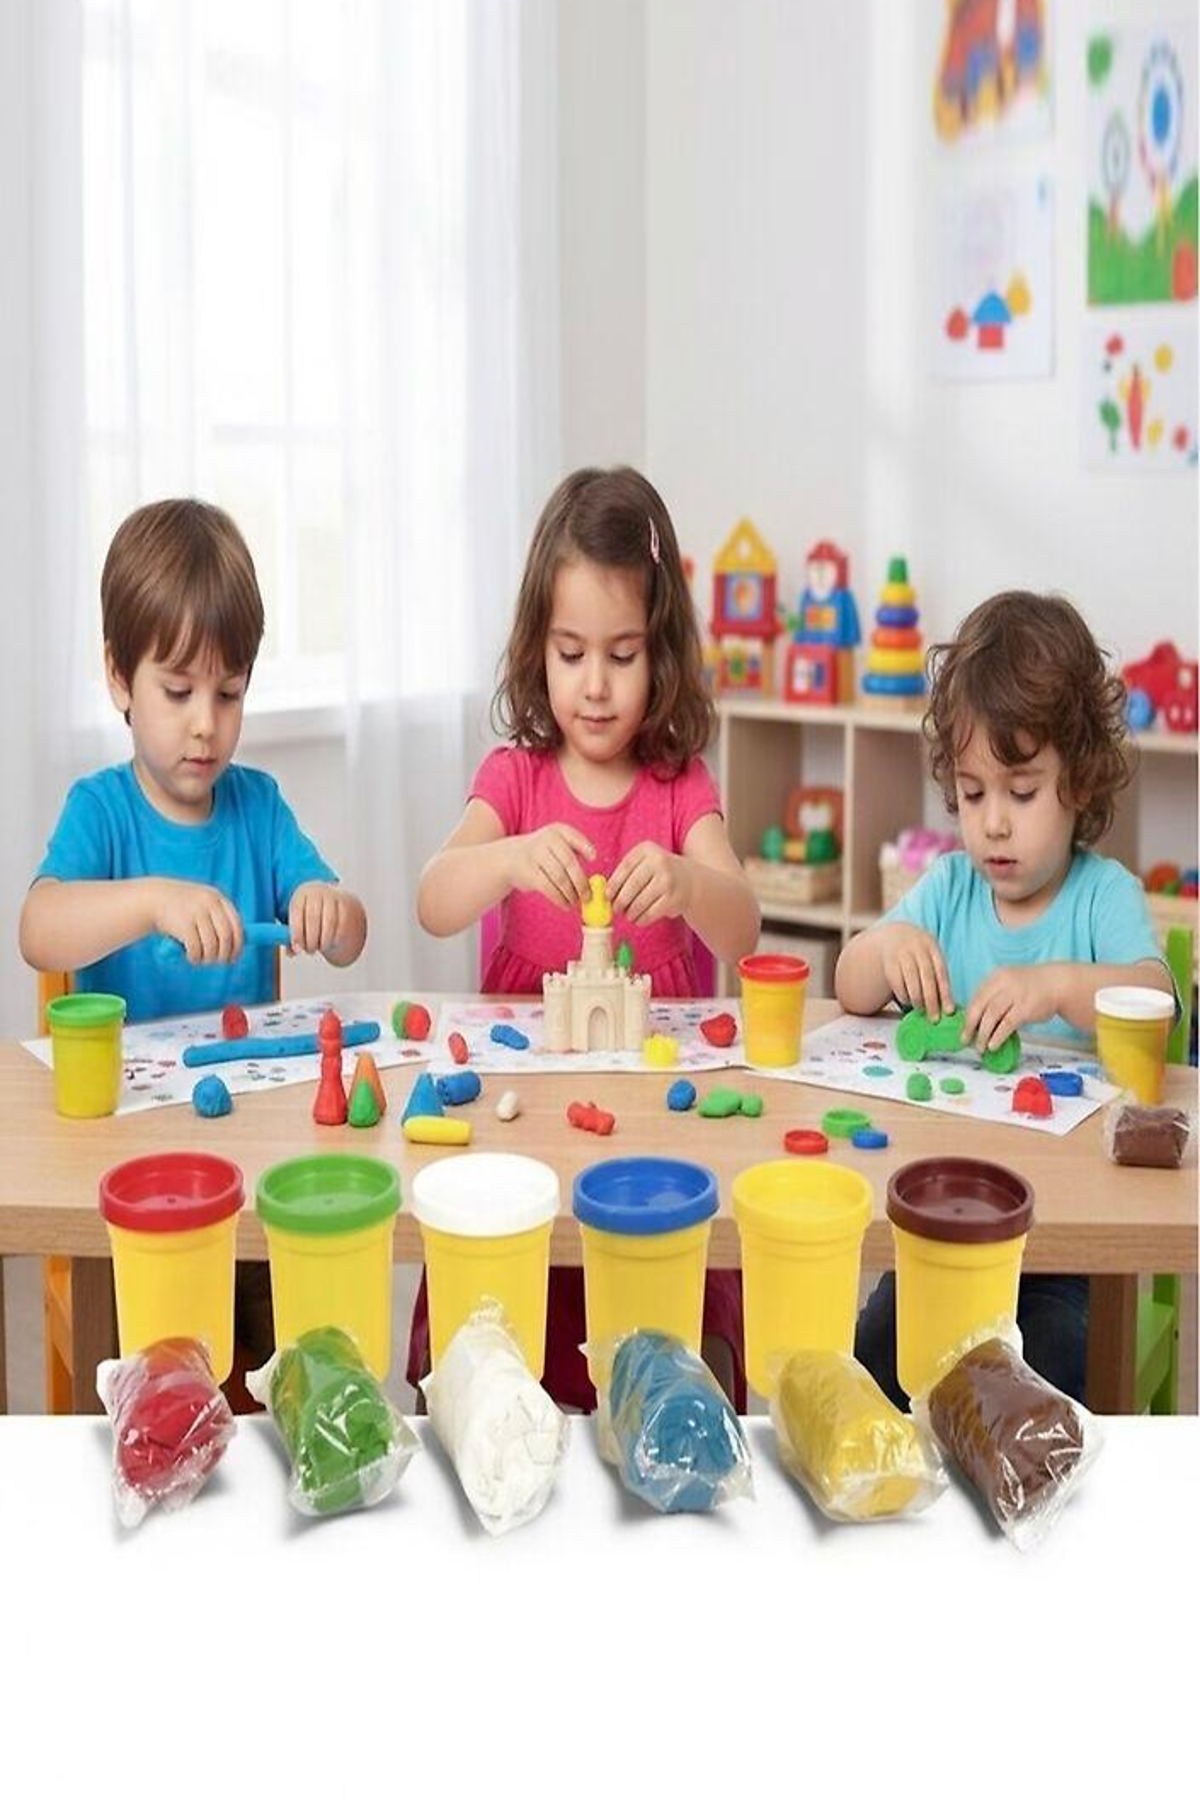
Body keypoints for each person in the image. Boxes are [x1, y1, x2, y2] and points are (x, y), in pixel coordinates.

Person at [415, 465, 760, 1407]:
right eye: (571, 654)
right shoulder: (515, 778)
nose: (596, 687)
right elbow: (435, 898)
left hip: (653, 1115)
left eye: (623, 654)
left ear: (663, 656)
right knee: (517, 1296)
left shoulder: (680, 785)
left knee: (656, 1300)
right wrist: (507, 857)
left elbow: (743, 926)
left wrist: (690, 881)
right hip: (524, 1111)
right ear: (538, 649)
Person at [21, 497, 369, 1386]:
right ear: (118, 678)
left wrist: (328, 908)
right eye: (177, 692)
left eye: (229, 692)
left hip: (244, 1160)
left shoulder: (258, 808)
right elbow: (38, 929)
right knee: (148, 1364)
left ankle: (268, 1409)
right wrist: (151, 901)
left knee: (296, 1338)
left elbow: (349, 931)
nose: (205, 722)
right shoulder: (100, 811)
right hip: (125, 1172)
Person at [836, 590, 1175, 1404]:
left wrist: (1057, 985)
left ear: (1079, 785)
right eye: (973, 791)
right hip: (937, 1235)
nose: (992, 823)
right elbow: (849, 984)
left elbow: (1156, 999)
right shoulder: (948, 888)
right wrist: (888, 947)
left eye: (1021, 794)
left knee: (1042, 1374)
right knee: (872, 1357)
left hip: (1065, 1247)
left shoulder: (1102, 897)